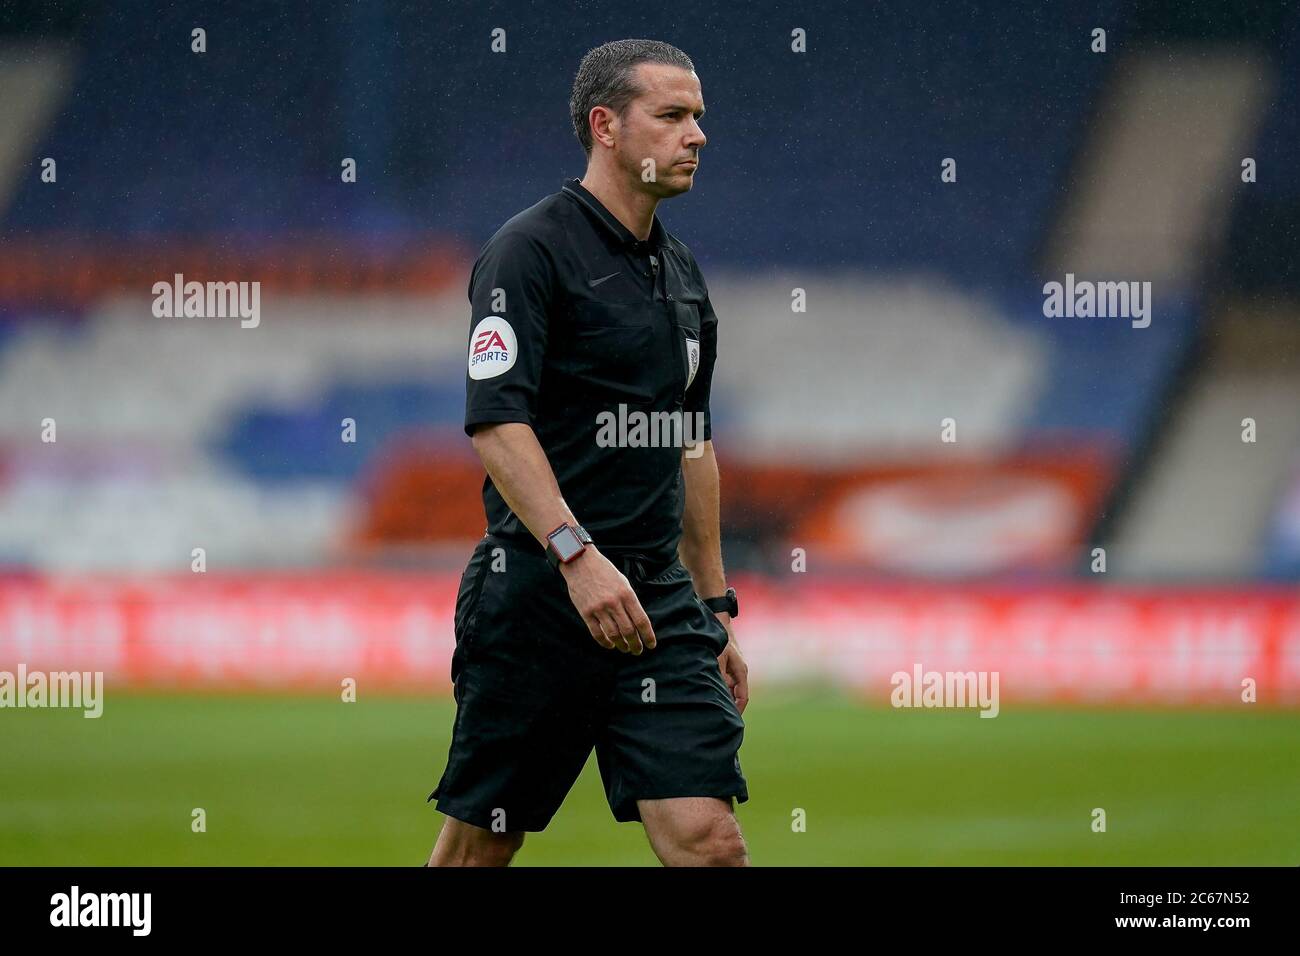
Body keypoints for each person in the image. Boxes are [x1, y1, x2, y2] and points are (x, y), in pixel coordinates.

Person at [426, 38, 749, 867]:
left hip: (659, 606)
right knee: (477, 851)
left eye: (699, 118)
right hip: (541, 594)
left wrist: (713, 608)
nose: (696, 135)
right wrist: (576, 556)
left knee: (709, 843)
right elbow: (497, 423)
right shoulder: (527, 252)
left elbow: (690, 442)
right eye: (671, 116)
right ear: (605, 126)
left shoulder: (681, 275)